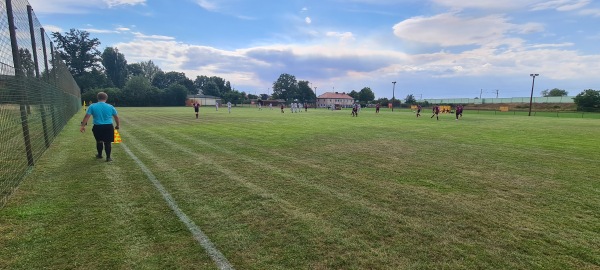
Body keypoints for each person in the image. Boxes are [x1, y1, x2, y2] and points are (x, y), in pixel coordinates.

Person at [80, 92, 120, 162]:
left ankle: (100, 154)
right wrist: (117, 125)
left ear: (97, 98)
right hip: (108, 126)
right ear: (106, 98)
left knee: (99, 141)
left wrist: (83, 126)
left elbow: (87, 116)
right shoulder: (110, 107)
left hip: (97, 126)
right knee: (108, 142)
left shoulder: (92, 106)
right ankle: (108, 157)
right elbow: (116, 117)